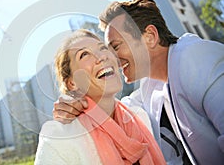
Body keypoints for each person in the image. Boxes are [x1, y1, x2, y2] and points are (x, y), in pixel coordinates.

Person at [53, 0, 224, 164]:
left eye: (116, 46)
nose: (110, 57)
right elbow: (118, 108)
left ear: (150, 36)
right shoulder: (151, 85)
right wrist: (74, 101)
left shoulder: (198, 58)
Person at [34, 29, 166, 165]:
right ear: (72, 83)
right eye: (84, 54)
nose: (102, 57)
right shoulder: (59, 138)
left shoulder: (140, 116)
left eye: (102, 48)